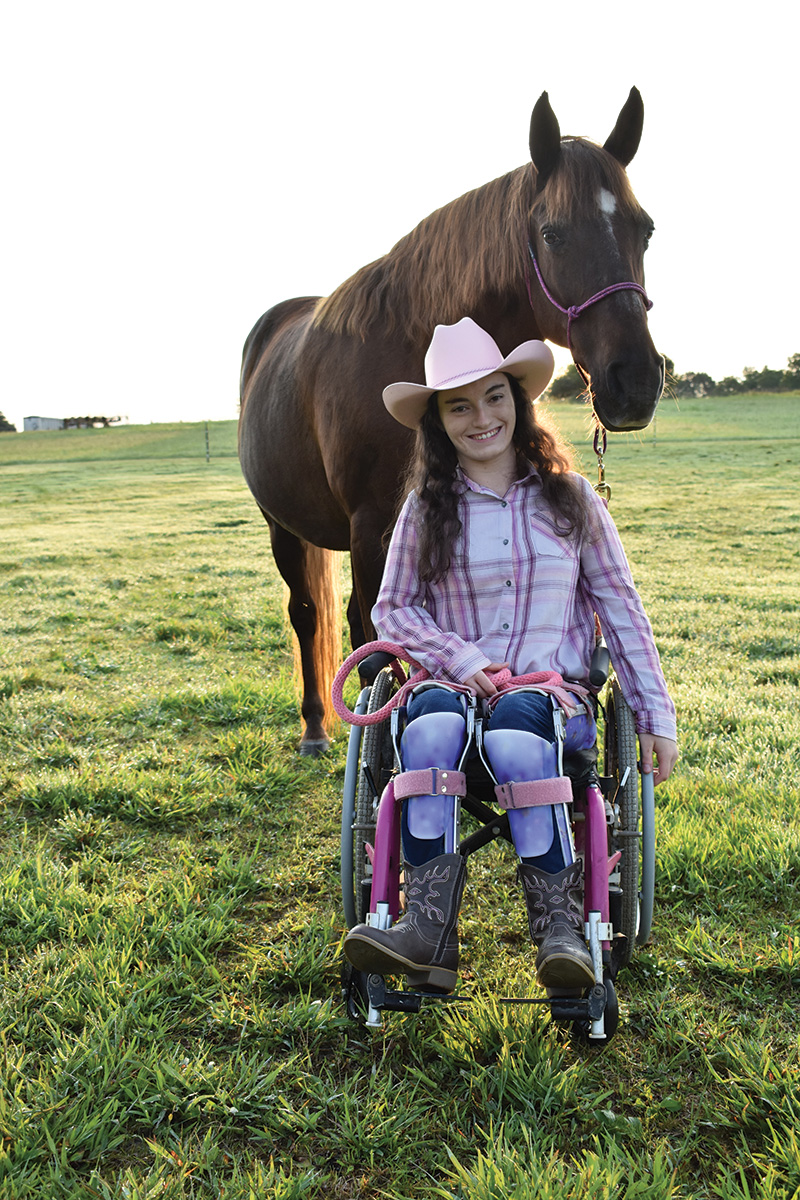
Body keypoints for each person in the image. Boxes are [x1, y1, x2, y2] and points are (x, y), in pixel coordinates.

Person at [344, 317, 677, 995]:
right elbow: (392, 608)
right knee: (432, 724)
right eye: (458, 405)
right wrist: (461, 660)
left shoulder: (573, 501)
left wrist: (654, 714)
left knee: (521, 730)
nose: (480, 417)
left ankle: (559, 930)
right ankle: (427, 934)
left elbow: (621, 610)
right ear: (438, 421)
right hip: (452, 697)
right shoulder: (423, 509)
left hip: (551, 702)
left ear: (517, 401)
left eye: (494, 396)